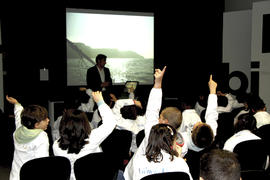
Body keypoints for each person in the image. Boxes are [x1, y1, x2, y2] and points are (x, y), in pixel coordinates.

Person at [124, 66, 189, 180]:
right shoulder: (182, 150)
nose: (157, 119)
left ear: (165, 122)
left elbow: (152, 110)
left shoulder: (151, 134)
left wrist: (158, 83)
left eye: (159, 118)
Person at [52, 91, 117, 180]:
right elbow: (111, 122)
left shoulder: (56, 145)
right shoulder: (92, 139)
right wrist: (100, 102)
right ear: (85, 124)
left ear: (63, 124)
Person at [6, 95, 50, 180]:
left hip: (15, 176)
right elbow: (42, 164)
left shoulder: (19, 129)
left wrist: (16, 103)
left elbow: (19, 114)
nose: (48, 120)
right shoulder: (42, 137)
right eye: (45, 119)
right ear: (36, 125)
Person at [179, 75, 218, 152]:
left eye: (197, 126)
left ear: (191, 133)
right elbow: (212, 114)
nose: (199, 122)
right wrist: (213, 90)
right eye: (201, 123)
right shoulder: (210, 135)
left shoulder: (183, 140)